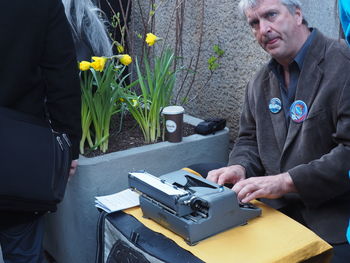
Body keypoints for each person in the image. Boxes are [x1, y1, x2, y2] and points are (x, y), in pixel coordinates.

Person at [206, 0, 350, 262]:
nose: (264, 29)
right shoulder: (259, 81)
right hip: (271, 212)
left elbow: (348, 155)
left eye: (271, 15)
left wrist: (285, 182)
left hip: (331, 217)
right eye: (254, 23)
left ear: (297, 14)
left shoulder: (344, 64)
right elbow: (248, 139)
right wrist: (239, 167)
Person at [0, 0, 81, 262]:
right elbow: (62, 77)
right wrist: (68, 146)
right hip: (19, 161)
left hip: (19, 161)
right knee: (23, 248)